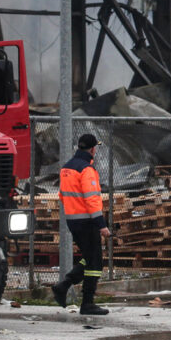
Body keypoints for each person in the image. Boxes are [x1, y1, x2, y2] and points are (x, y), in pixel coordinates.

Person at [52, 133, 112, 315]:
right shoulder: (87, 170)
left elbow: (62, 195)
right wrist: (101, 224)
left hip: (73, 220)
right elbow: (92, 199)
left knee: (89, 256)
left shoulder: (66, 168)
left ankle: (65, 286)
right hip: (87, 221)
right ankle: (86, 302)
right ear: (93, 149)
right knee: (94, 262)